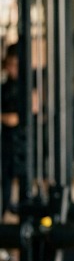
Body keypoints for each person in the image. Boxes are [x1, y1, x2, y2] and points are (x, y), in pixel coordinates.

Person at [1, 45, 24, 222]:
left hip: (23, 143)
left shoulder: (27, 84)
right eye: (9, 65)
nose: (11, 69)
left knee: (23, 183)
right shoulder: (5, 86)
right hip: (6, 143)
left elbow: (16, 118)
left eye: (15, 65)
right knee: (5, 181)